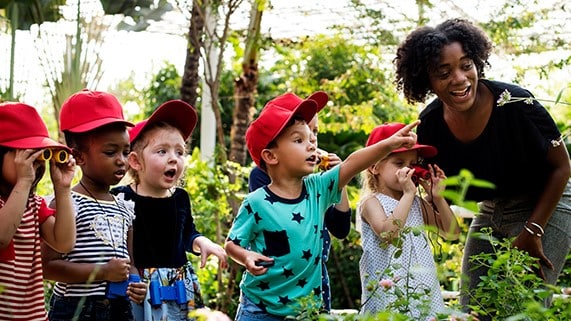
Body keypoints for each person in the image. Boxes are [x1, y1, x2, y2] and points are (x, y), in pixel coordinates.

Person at [393, 18, 571, 320]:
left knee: (521, 309)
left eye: (466, 65)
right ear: (428, 80)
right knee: (473, 312)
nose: (460, 78)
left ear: (478, 62)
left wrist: (533, 230)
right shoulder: (431, 125)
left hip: (548, 204)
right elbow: (441, 200)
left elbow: (563, 167)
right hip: (492, 209)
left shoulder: (516, 103)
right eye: (444, 72)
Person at [224, 91, 420, 320]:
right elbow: (231, 244)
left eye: (310, 137)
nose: (311, 145)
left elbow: (353, 163)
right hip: (259, 309)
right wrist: (246, 257)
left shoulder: (318, 188)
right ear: (270, 156)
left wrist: (388, 145)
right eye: (299, 140)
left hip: (307, 311)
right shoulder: (256, 202)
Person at [111, 100, 228, 321]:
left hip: (178, 289)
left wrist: (201, 241)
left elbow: (187, 234)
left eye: (179, 151)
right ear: (135, 161)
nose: (174, 158)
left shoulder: (180, 198)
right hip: (138, 288)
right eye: (162, 151)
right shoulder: (121, 197)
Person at [42, 89, 147, 321]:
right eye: (110, 152)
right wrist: (102, 272)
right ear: (78, 157)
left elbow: (129, 261)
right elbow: (48, 266)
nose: (121, 160)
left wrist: (136, 283)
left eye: (125, 151)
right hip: (76, 310)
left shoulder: (124, 207)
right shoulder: (66, 203)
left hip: (120, 309)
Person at [247, 91, 351, 312]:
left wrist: (339, 180)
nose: (312, 139)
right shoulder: (261, 177)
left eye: (314, 132)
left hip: (313, 278)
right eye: (300, 137)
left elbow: (341, 229)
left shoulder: (317, 182)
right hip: (275, 285)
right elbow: (277, 230)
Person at [357, 123, 459, 319]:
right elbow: (388, 234)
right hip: (388, 296)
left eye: (413, 164)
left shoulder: (415, 202)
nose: (409, 169)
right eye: (399, 163)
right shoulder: (371, 202)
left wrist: (438, 198)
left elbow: (451, 232)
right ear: (374, 167)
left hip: (423, 292)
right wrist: (409, 194)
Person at [0, 102, 76, 321]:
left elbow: (64, 243)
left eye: (41, 156)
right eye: (27, 155)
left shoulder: (34, 204)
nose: (37, 164)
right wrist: (23, 181)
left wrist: (62, 188)